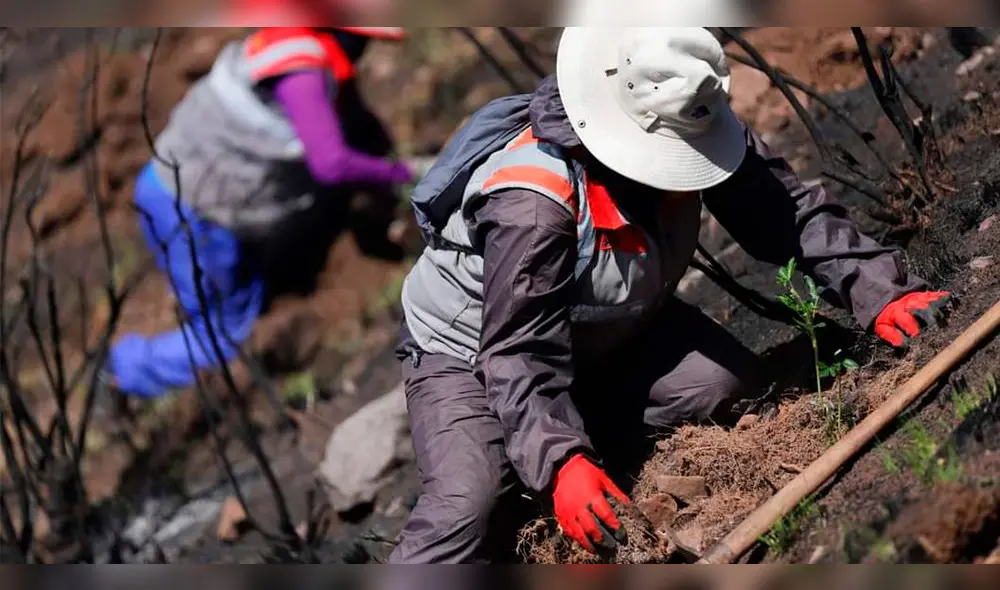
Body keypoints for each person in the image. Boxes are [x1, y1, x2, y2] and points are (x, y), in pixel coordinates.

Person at [390, 27, 950, 563]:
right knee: (470, 505)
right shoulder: (533, 208)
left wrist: (881, 291)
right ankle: (526, 467)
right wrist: (562, 465)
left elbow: (786, 212)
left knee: (720, 387)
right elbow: (516, 352)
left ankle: (557, 440)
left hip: (607, 331)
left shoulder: (687, 117)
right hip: (473, 358)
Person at [104, 25, 413, 400]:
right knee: (223, 334)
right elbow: (331, 164)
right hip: (194, 213)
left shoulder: (287, 43)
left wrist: (388, 162)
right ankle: (124, 373)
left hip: (168, 185)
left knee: (229, 301)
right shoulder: (303, 73)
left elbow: (357, 126)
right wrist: (405, 173)